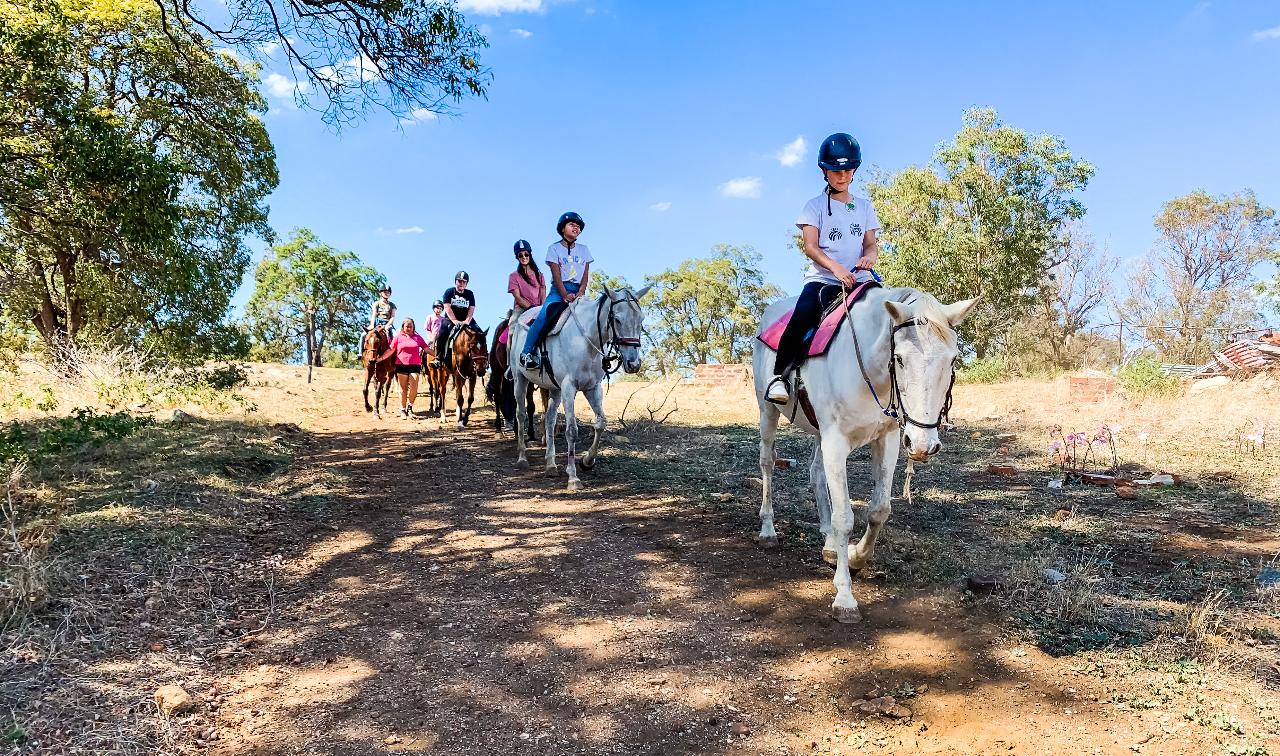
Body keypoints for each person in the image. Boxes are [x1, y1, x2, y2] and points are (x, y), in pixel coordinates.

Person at [766, 133, 880, 405]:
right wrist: (837, 270)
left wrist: (869, 257)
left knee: (889, 316)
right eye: (835, 171)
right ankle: (779, 377)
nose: (842, 176)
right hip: (823, 280)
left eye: (847, 170)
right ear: (824, 171)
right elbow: (811, 247)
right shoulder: (813, 206)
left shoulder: (864, 207)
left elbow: (872, 244)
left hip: (860, 280)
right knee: (802, 316)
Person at [520, 212, 593, 370]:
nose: (576, 227)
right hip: (559, 290)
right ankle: (526, 353)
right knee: (543, 316)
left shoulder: (584, 250)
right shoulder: (554, 249)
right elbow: (556, 274)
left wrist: (581, 292)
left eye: (578, 226)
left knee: (594, 317)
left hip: (579, 290)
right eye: (572, 225)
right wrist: (564, 294)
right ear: (562, 229)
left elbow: (585, 275)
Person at [376, 318, 433, 418]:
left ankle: (410, 407)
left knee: (414, 388)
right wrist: (380, 359)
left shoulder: (417, 337)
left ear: (413, 327)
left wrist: (438, 355)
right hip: (401, 365)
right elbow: (390, 350)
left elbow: (426, 349)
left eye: (410, 326)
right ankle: (403, 409)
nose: (409, 328)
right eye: (407, 326)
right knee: (403, 389)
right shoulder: (398, 337)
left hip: (415, 365)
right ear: (403, 327)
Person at [435, 270, 479, 367]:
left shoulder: (470, 294)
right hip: (450, 319)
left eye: (464, 281)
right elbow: (447, 307)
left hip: (466, 319)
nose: (461, 283)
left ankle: (483, 357)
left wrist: (467, 321)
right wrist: (455, 321)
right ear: (455, 281)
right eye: (459, 281)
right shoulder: (449, 292)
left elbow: (471, 309)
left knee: (479, 332)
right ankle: (439, 357)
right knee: (442, 333)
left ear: (467, 283)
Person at [508, 239, 546, 313]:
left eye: (526, 254)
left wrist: (542, 308)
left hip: (539, 308)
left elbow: (543, 294)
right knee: (514, 321)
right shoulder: (513, 276)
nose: (524, 257)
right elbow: (518, 297)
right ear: (517, 257)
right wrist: (531, 308)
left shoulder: (539, 275)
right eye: (520, 255)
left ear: (530, 254)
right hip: (521, 309)